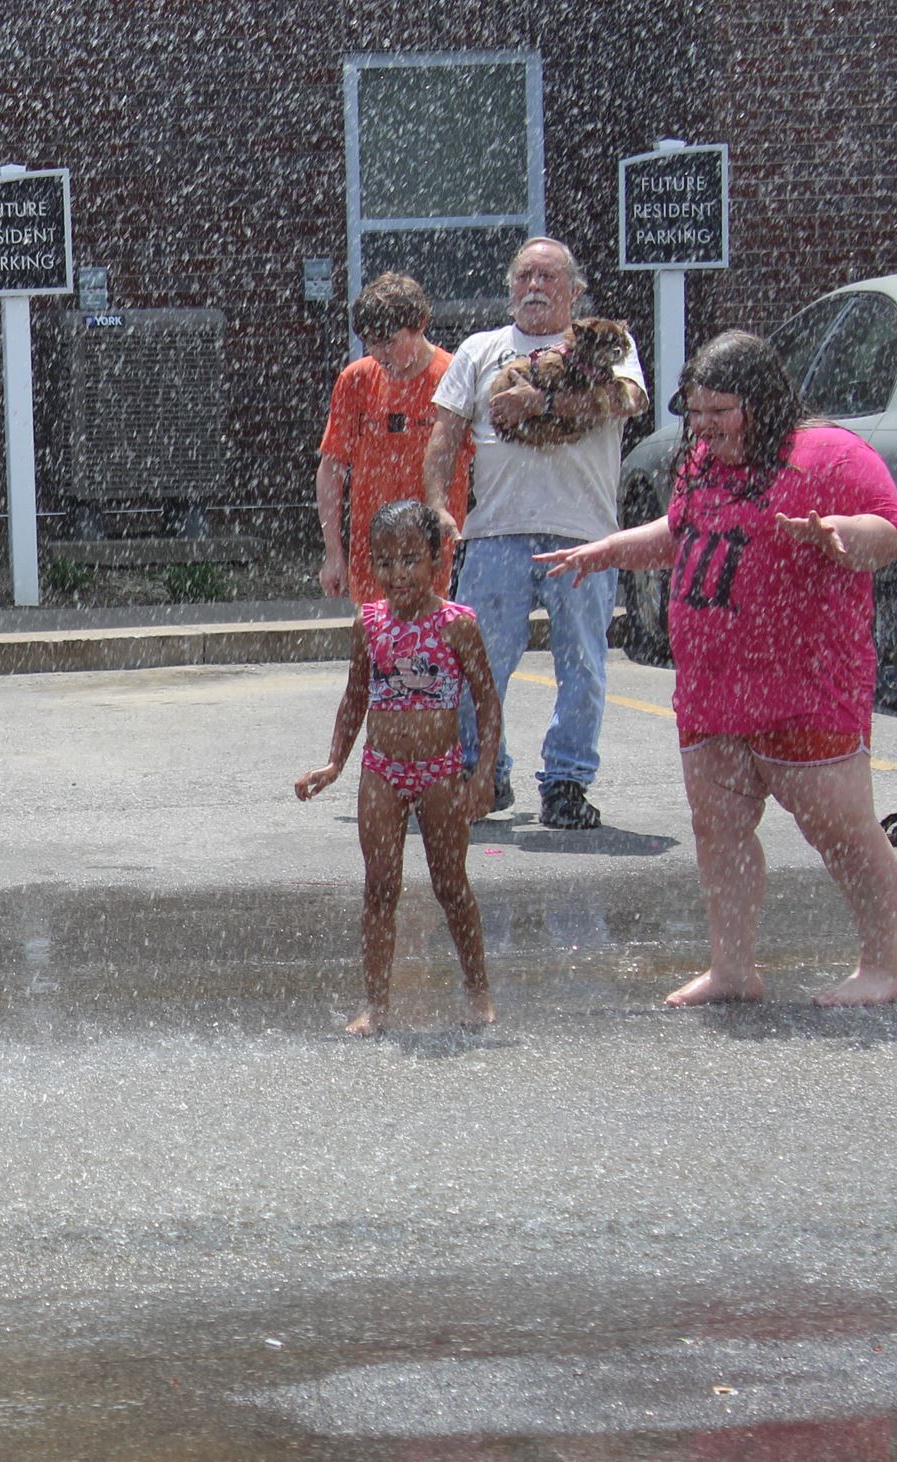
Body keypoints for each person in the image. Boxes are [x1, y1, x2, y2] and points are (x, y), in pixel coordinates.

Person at [537, 331, 897, 1008]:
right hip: (713, 688)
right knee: (719, 832)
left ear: (762, 401)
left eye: (720, 411)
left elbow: (887, 532)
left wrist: (838, 536)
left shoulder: (829, 456)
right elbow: (684, 535)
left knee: (842, 833)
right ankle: (733, 969)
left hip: (806, 687)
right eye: (695, 411)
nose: (703, 426)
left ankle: (884, 963)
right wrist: (610, 551)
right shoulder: (701, 461)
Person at [423, 238, 648, 830]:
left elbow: (625, 401)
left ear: (574, 292)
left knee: (583, 663)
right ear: (509, 287)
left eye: (548, 276)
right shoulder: (480, 350)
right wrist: (435, 505)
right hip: (496, 532)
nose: (534, 287)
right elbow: (444, 434)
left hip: (584, 536)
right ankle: (480, 775)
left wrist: (542, 397)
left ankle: (567, 782)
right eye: (523, 276)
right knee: (477, 663)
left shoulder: (607, 346)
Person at [295, 501, 502, 1036]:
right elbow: (355, 697)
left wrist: (482, 776)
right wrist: (335, 761)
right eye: (384, 562)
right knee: (380, 888)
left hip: (439, 769)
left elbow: (487, 702)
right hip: (382, 770)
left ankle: (478, 991)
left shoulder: (458, 626)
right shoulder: (369, 623)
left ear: (437, 558)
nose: (397, 574)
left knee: (450, 884)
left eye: (411, 559)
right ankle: (377, 1005)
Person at [315, 273, 469, 602]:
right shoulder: (355, 380)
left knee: (435, 647)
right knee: (376, 646)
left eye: (389, 341)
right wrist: (333, 553)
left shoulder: (454, 377)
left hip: (435, 554)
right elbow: (331, 469)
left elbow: (486, 466)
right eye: (371, 342)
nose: (379, 353)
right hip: (375, 554)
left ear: (421, 324)